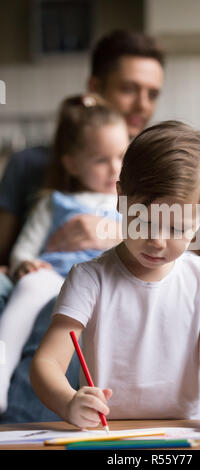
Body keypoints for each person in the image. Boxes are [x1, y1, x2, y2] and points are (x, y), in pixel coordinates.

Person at [30, 121, 200, 434]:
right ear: (120, 198)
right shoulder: (89, 278)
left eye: (178, 228)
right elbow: (47, 363)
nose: (158, 242)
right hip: (107, 435)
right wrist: (69, 402)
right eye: (144, 221)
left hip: (184, 433)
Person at [0, 29, 164, 423]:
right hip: (44, 274)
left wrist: (111, 235)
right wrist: (26, 263)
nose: (142, 104)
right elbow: (11, 250)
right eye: (129, 89)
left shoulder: (145, 173)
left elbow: (176, 239)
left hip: (101, 277)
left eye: (152, 93)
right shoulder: (36, 173)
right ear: (95, 86)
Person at [0, 93, 129, 413]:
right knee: (31, 286)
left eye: (122, 157)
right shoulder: (53, 201)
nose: (114, 168)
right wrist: (25, 265)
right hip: (54, 277)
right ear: (72, 163)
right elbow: (24, 250)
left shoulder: (130, 206)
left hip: (99, 281)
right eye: (101, 160)